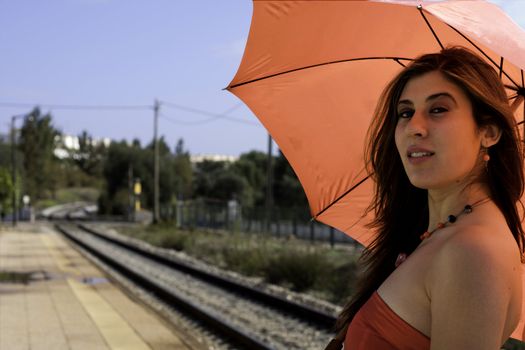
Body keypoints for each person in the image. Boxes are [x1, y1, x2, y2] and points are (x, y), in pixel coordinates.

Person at [325, 46, 524, 350]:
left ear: (489, 132)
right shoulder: (442, 232)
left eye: (438, 109)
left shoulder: (472, 251)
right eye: (405, 112)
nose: (414, 128)